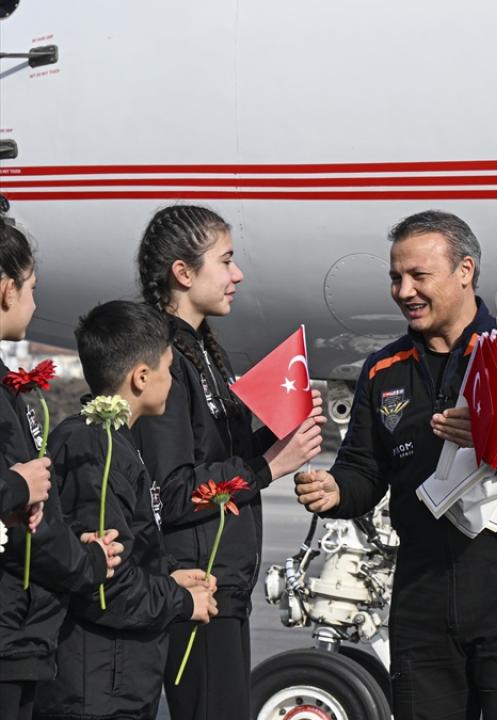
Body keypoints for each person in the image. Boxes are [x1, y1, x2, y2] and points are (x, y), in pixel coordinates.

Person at [293, 210, 497, 720]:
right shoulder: (384, 369)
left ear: (465, 271)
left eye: (418, 276)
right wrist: (336, 491)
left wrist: (496, 439)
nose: (404, 290)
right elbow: (364, 468)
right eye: (395, 277)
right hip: (421, 592)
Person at [131, 205, 324, 720]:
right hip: (194, 586)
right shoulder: (166, 361)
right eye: (226, 260)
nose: (237, 275)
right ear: (183, 272)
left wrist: (281, 433)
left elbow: (216, 457)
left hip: (224, 584)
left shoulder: (202, 351)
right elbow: (173, 492)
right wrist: (269, 466)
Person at [35, 301, 218, 720]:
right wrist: (179, 600)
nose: (173, 382)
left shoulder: (113, 441)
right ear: (141, 377)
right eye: (169, 369)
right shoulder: (94, 448)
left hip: (115, 682)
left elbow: (126, 552)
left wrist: (167, 575)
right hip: (96, 689)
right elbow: (104, 585)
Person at [0, 224, 123, 720]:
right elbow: (23, 510)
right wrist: (86, 562)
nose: (34, 302)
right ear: (6, 289)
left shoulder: (8, 385)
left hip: (20, 632)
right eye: (31, 288)